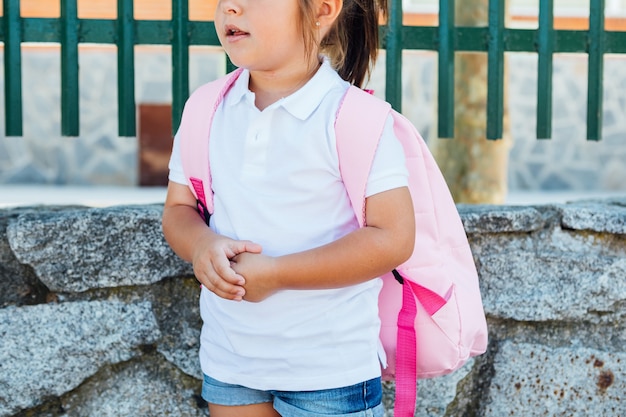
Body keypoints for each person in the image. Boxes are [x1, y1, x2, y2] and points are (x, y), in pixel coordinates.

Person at [162, 0, 415, 415]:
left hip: (330, 374)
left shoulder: (357, 119)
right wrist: (202, 244)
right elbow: (178, 208)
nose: (231, 8)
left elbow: (393, 238)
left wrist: (277, 274)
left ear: (322, 10)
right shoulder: (205, 109)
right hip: (232, 363)